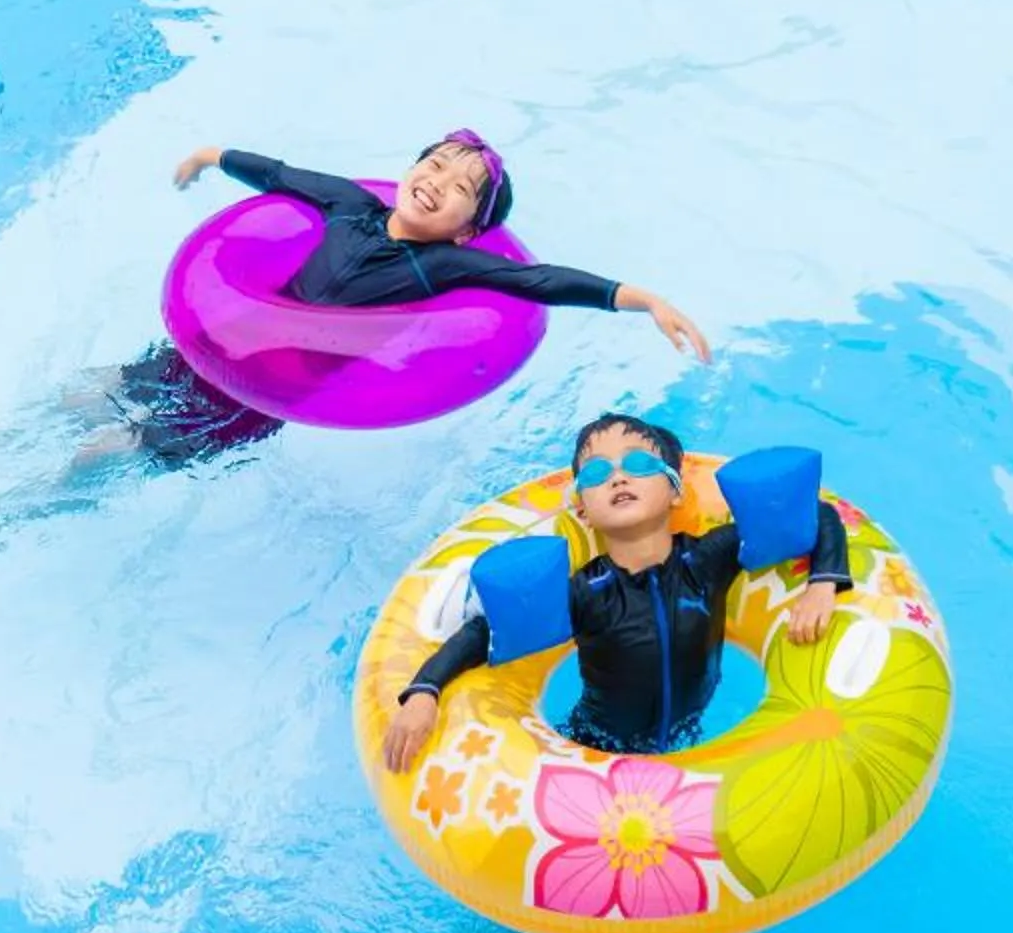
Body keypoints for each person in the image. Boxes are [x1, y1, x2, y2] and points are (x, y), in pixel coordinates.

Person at [88, 134, 707, 473]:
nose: (438, 182)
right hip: (207, 348)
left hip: (259, 398)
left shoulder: (445, 266)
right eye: (434, 165)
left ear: (469, 229)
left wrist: (640, 299)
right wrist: (211, 156)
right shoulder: (350, 204)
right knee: (93, 391)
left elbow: (540, 282)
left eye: (461, 187)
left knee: (112, 451)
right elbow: (283, 174)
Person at [380, 413, 851, 773]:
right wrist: (424, 692)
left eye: (641, 464)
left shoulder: (709, 560)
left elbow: (810, 515)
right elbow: (487, 633)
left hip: (699, 730)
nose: (618, 477)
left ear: (676, 493)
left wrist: (822, 584)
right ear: (583, 510)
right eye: (596, 474)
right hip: (595, 745)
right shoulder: (585, 594)